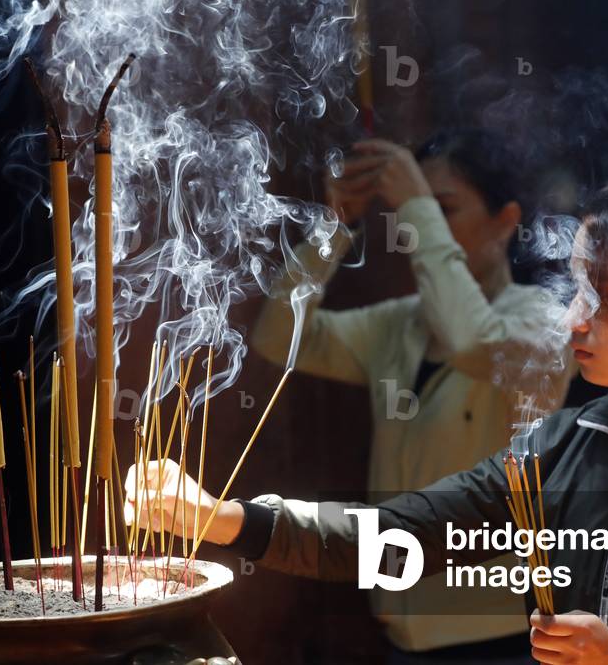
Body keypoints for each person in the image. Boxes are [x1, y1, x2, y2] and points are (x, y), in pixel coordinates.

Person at [127, 176, 608, 664]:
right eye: (578, 288)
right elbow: (396, 537)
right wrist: (223, 519)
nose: (574, 318)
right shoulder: (562, 447)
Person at [247, 129, 577, 661]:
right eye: (416, 214)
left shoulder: (543, 319)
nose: (421, 230)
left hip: (502, 635)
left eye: (443, 209)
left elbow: (472, 340)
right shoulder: (402, 324)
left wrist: (418, 207)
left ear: (506, 219)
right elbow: (277, 339)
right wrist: (338, 226)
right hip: (400, 631)